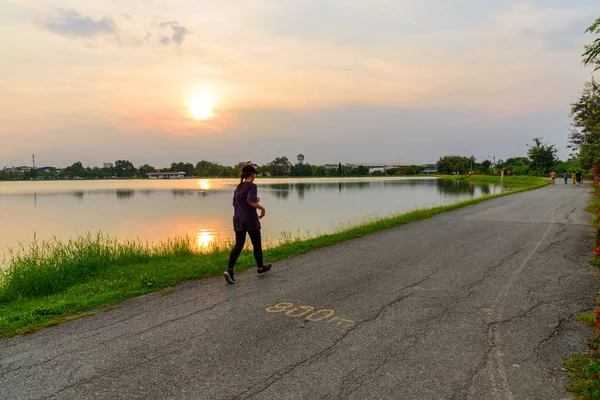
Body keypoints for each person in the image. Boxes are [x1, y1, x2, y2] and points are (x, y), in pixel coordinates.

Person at [223, 165, 272, 284]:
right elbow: (250, 202)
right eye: (255, 174)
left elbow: (237, 204)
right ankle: (260, 268)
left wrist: (255, 201)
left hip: (238, 219)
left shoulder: (238, 188)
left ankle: (229, 270)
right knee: (256, 244)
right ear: (252, 175)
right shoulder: (252, 186)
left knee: (239, 245)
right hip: (249, 219)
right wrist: (262, 208)